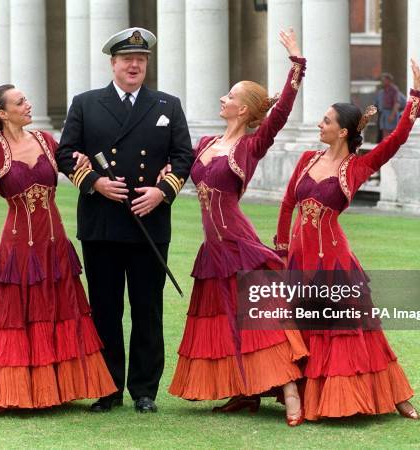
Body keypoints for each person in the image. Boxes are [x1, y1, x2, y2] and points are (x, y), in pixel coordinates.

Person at [0, 39, 116, 411]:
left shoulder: (46, 140)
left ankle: (53, 389)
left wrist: (92, 173)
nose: (28, 105)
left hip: (53, 244)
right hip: (16, 249)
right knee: (0, 318)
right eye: (20, 102)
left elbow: (75, 166)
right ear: (3, 114)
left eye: (26, 100)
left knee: (56, 316)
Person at [168, 29, 309, 426]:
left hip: (239, 241)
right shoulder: (207, 142)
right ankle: (244, 392)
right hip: (213, 248)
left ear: (244, 110)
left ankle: (289, 389)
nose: (222, 99)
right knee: (224, 320)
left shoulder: (249, 146)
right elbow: (178, 166)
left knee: (261, 319)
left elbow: (278, 115)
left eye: (229, 96)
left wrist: (296, 62)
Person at [274, 58, 420, 421]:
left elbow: (395, 140)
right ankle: (306, 395)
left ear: (342, 131)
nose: (319, 124)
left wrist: (416, 94)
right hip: (299, 259)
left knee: (353, 329)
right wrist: (282, 249)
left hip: (334, 261)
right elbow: (286, 204)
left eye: (326, 121)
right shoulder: (307, 159)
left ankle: (393, 394)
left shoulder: (356, 168)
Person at [55, 28, 194, 413]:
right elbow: (65, 153)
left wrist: (161, 192)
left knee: (147, 308)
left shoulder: (168, 104)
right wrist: (95, 183)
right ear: (113, 63)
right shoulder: (86, 103)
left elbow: (184, 156)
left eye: (142, 59)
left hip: (149, 222)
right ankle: (107, 387)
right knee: (105, 308)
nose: (135, 65)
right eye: (127, 59)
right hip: (102, 222)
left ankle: (145, 390)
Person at [375, 72, 405, 139]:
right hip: (384, 112)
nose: (382, 82)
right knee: (384, 132)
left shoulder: (394, 90)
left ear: (388, 80)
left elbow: (397, 103)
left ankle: (390, 147)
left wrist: (392, 115)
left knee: (391, 133)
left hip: (390, 112)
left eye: (383, 80)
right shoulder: (383, 91)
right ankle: (385, 146)